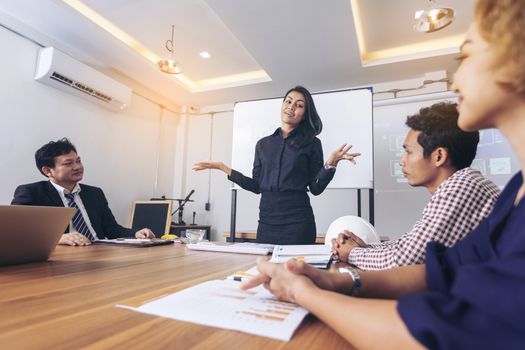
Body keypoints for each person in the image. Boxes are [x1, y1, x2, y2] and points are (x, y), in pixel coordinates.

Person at [242, 1, 525, 348]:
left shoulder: (464, 183)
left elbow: (441, 318)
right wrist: (337, 281)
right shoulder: (514, 191)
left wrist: (310, 289)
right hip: (270, 222)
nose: (455, 81)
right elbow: (442, 270)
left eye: (465, 57)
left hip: (298, 222)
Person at [332, 102, 500, 270]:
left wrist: (352, 253)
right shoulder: (466, 182)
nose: (401, 161)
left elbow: (404, 262)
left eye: (409, 151)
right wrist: (364, 249)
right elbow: (408, 244)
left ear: (439, 156)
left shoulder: (460, 188)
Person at [193, 86, 360, 244]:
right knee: (267, 271)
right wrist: (222, 167)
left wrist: (331, 164)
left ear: (304, 113)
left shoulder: (312, 143)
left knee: (296, 272)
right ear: (282, 105)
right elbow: (257, 186)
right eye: (288, 101)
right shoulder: (263, 144)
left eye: (299, 105)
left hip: (298, 222)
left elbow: (316, 188)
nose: (291, 107)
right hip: (267, 222)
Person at [12, 138, 155, 246]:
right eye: (68, 163)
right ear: (48, 171)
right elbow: (17, 232)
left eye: (78, 161)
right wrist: (58, 239)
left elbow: (111, 229)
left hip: (100, 253)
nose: (77, 167)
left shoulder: (94, 193)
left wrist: (135, 233)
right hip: (64, 259)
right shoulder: (32, 193)